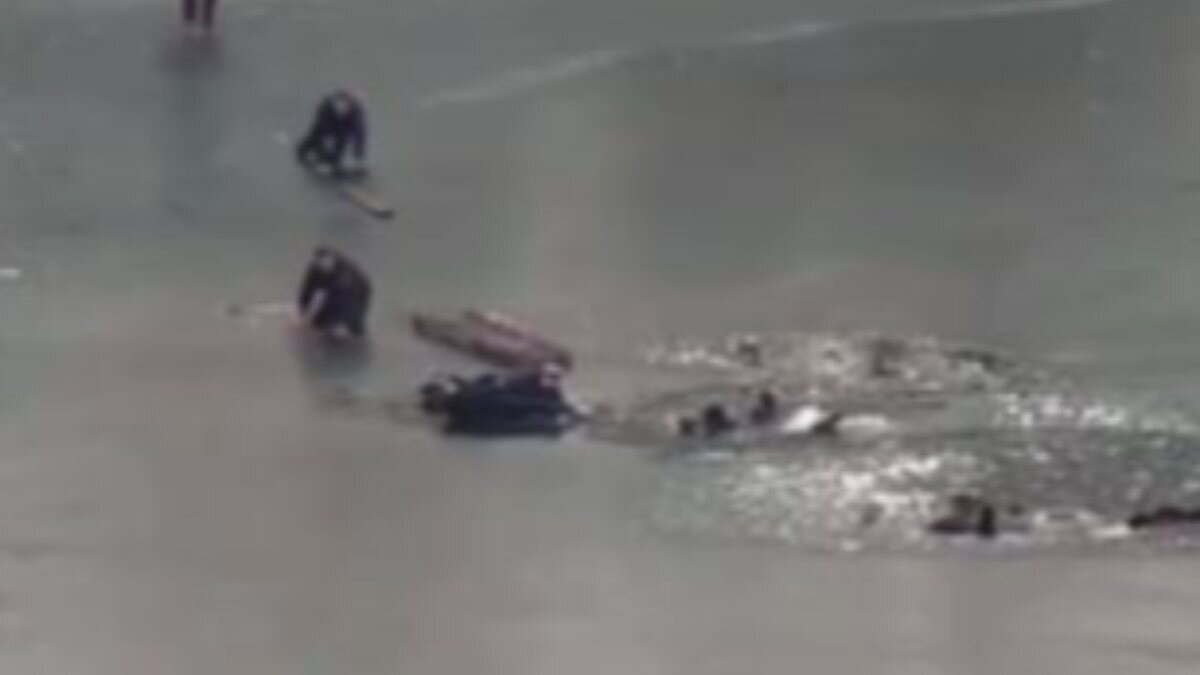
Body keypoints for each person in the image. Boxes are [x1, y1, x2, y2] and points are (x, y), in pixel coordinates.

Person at [297, 247, 372, 339]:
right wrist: (302, 309)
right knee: (321, 322)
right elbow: (308, 288)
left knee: (346, 320)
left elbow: (335, 300)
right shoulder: (316, 267)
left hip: (358, 291)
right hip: (339, 289)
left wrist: (317, 321)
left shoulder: (345, 275)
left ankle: (355, 334)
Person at [295, 91, 368, 178]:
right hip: (328, 122)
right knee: (317, 134)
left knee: (342, 139)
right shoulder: (325, 106)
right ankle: (305, 148)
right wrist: (322, 152)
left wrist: (358, 154)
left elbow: (359, 134)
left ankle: (335, 162)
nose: (341, 114)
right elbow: (321, 127)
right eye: (339, 112)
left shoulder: (356, 111)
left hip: (346, 125)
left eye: (343, 112)